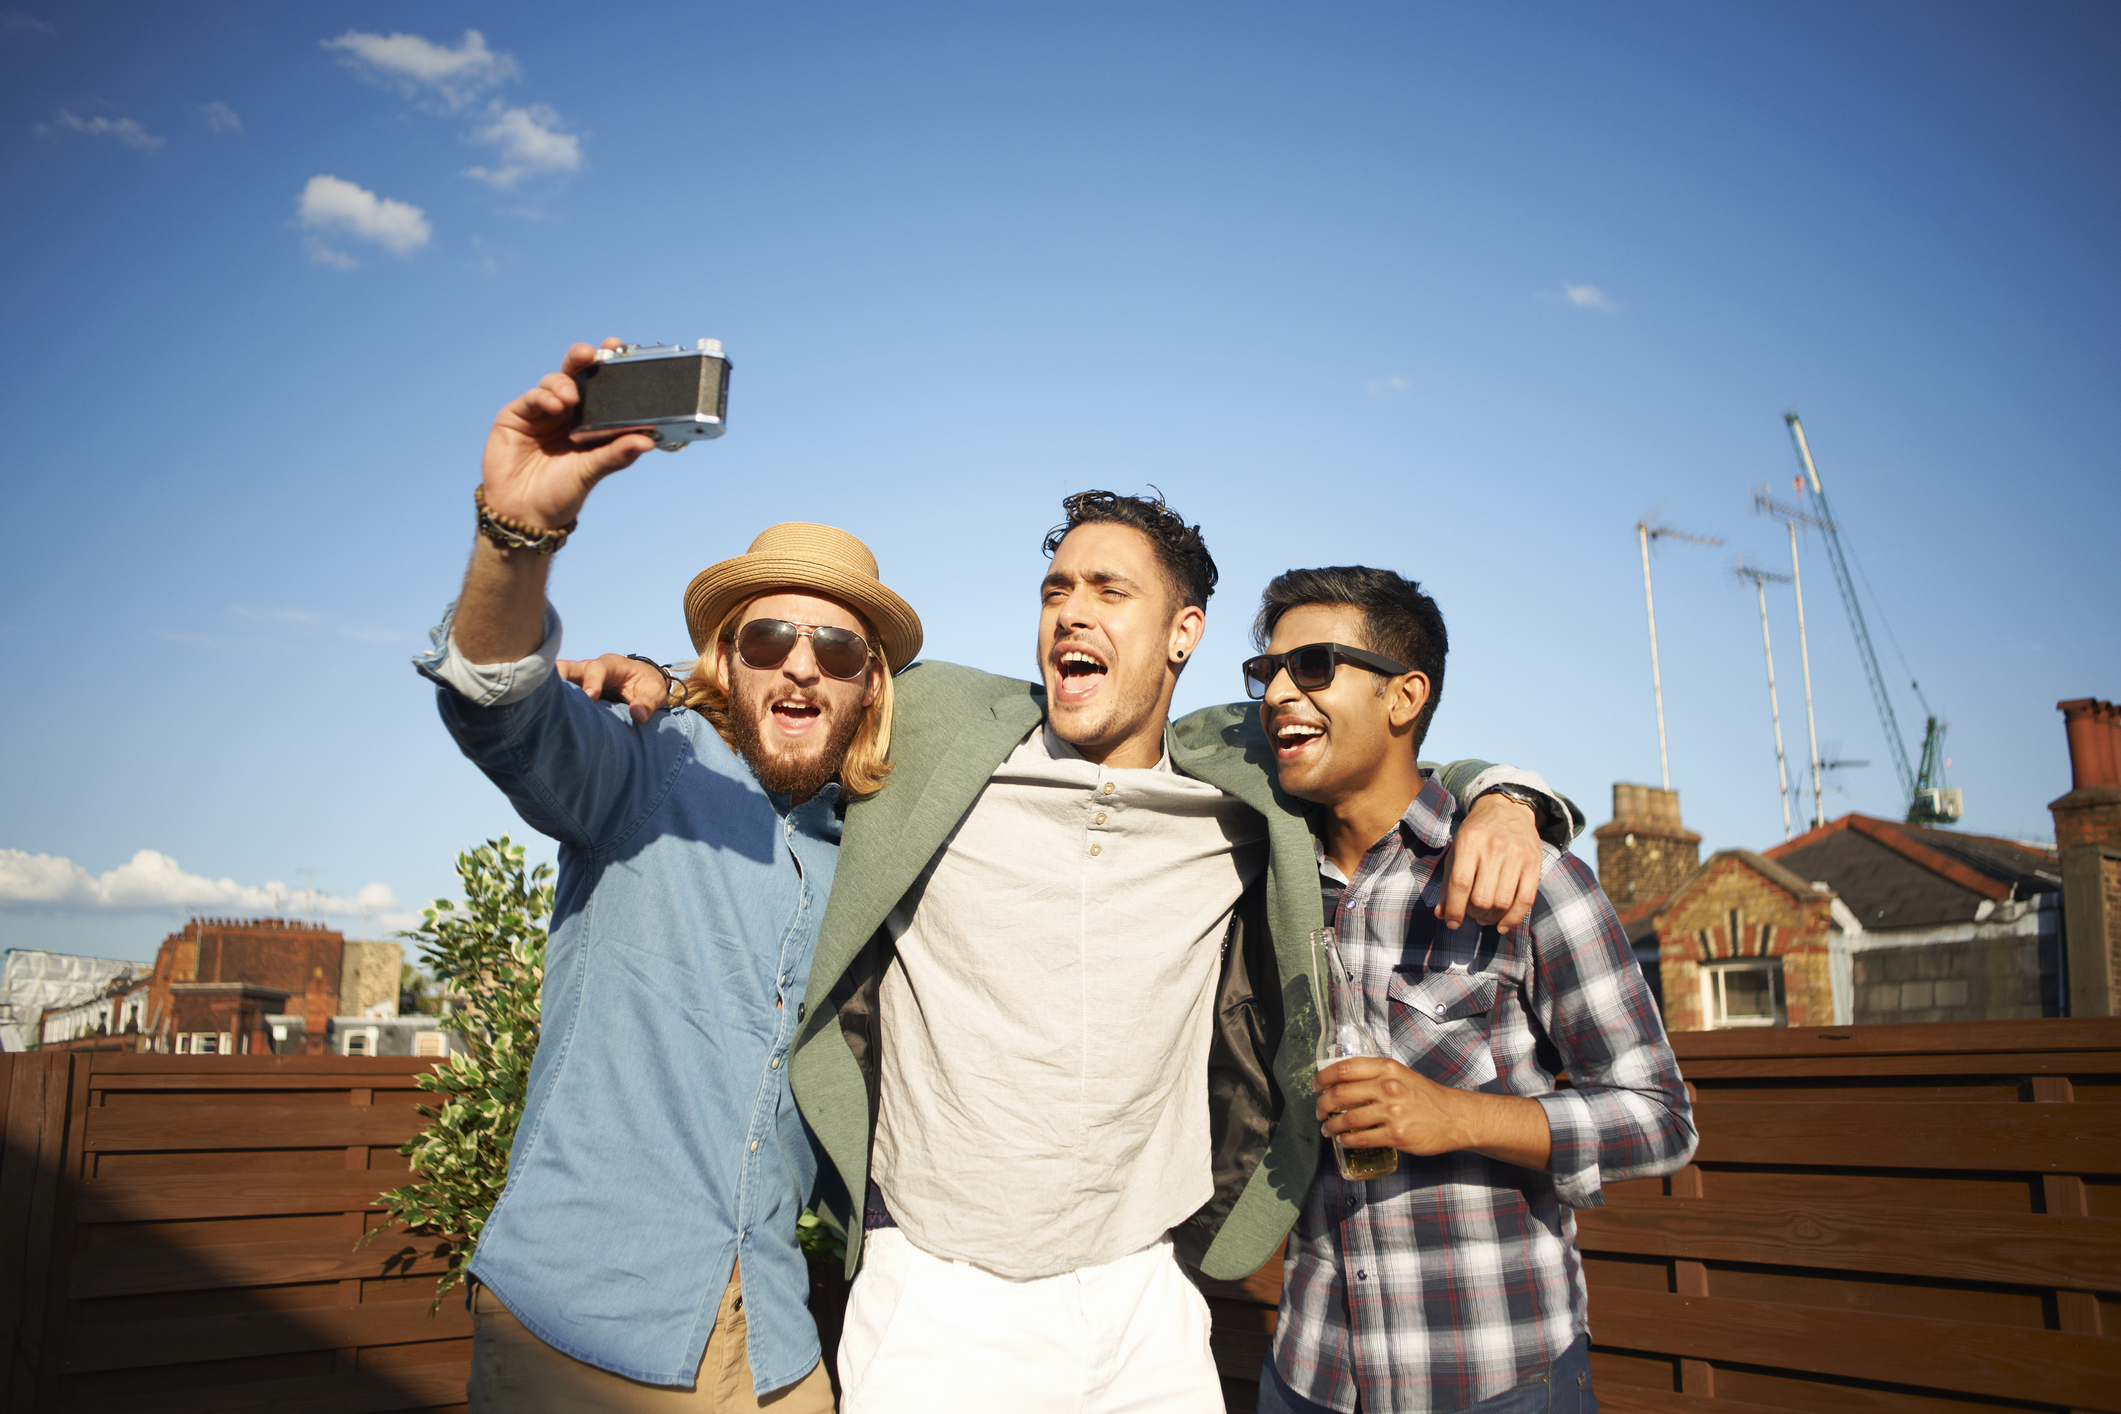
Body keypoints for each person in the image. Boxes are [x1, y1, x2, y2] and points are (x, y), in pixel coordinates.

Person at [594, 492, 1582, 1413]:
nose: (1072, 611)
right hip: (937, 1299)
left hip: (1141, 1302)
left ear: (1183, 632)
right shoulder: (943, 725)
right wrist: (679, 687)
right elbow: (799, 698)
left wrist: (1503, 791)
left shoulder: (1240, 773)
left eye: (1111, 591)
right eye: (1056, 589)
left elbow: (1372, 743)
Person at [414, 339, 921, 1410]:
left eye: (836, 650)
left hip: (779, 1342)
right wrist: (518, 534)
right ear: (725, 657)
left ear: (869, 686)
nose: (800, 663)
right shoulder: (640, 764)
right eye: (772, 635)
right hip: (580, 1332)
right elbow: (500, 704)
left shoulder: (872, 856)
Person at [1242, 566, 1697, 1414]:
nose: (1274, 693)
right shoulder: (1264, 880)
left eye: (1310, 667)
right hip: (1308, 1374)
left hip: (1494, 1380)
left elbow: (1660, 1118)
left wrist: (1455, 1117)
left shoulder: (1528, 876)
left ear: (1404, 696)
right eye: (1263, 673)